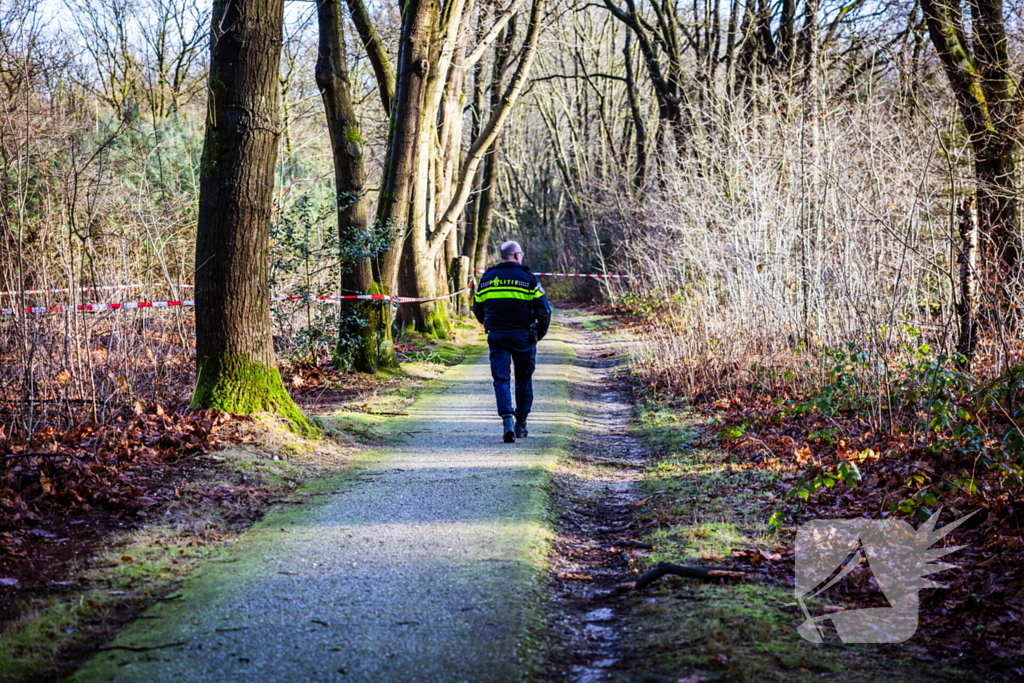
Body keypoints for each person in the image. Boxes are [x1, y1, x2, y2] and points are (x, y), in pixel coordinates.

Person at [472, 240, 552, 443]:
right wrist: (539, 335)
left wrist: (489, 324)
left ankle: (507, 420)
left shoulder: (487, 278)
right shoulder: (528, 278)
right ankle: (521, 424)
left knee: (501, 379)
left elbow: (477, 308)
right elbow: (544, 311)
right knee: (523, 380)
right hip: (523, 336)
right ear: (517, 255)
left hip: (497, 336)